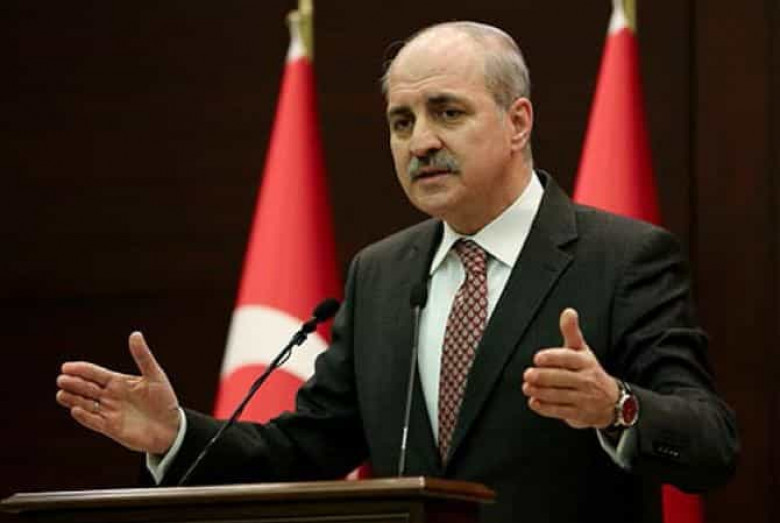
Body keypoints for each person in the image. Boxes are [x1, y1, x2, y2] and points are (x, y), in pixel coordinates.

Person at [56, 21, 738, 523]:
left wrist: (618, 406)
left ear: (518, 122)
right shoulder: (380, 274)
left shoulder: (623, 258)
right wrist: (176, 434)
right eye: (401, 121)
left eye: (447, 112)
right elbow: (305, 449)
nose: (421, 142)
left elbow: (713, 444)